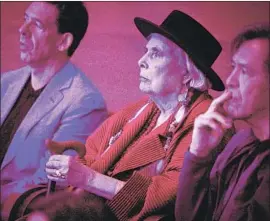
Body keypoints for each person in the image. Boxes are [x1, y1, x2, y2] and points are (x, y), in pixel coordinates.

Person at [18, 10, 233, 221]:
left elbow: (168, 195)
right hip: (88, 208)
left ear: (188, 72)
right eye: (146, 51)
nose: (141, 61)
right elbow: (90, 155)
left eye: (156, 53)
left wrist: (87, 178)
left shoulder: (206, 121)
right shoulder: (140, 110)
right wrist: (67, 169)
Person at [0, 1, 107, 206]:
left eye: (37, 25)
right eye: (25, 20)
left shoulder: (85, 101)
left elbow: (49, 181)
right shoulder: (5, 82)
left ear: (63, 41)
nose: (22, 30)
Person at [175, 24, 270, 221]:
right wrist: (198, 154)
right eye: (233, 68)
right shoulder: (240, 141)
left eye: (244, 71)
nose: (230, 81)